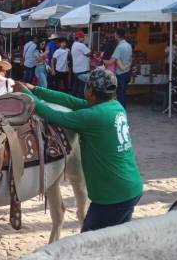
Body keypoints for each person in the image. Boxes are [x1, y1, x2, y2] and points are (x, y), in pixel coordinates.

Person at [17, 68, 143, 232]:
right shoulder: (114, 107)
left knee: (90, 242)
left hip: (111, 197)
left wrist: (28, 96)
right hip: (129, 189)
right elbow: (70, 101)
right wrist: (36, 89)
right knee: (114, 241)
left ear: (89, 91)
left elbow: (54, 116)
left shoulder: (93, 116)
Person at [104, 29, 133, 108]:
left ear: (117, 35)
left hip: (120, 73)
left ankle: (121, 109)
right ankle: (124, 108)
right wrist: (128, 65)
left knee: (120, 94)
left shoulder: (119, 47)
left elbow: (111, 61)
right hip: (127, 72)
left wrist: (103, 61)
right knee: (124, 92)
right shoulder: (128, 45)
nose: (114, 35)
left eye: (115, 34)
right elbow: (130, 59)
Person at [71, 31, 91, 98]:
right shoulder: (80, 45)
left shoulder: (74, 44)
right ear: (79, 37)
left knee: (76, 87)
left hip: (77, 69)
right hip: (82, 69)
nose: (84, 38)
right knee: (82, 89)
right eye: (83, 37)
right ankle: (80, 103)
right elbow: (88, 53)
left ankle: (72, 101)